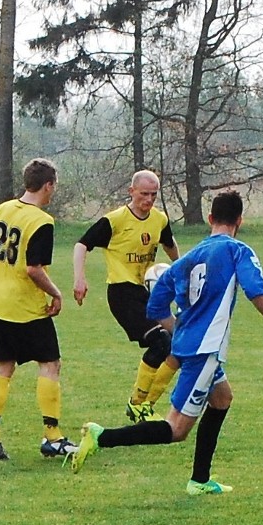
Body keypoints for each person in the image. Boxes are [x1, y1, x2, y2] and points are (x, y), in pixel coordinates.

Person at [71, 191, 263, 496]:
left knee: (222, 398)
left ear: (210, 219)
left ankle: (200, 480)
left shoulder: (188, 258)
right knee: (176, 429)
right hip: (204, 349)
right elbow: (255, 289)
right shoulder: (237, 250)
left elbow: (156, 304)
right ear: (239, 221)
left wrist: (181, 330)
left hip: (189, 343)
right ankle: (101, 437)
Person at [0, 158, 78, 461]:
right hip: (25, 307)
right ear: (49, 185)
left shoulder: (3, 208)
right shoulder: (42, 221)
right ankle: (52, 436)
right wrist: (56, 293)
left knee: (4, 364)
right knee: (50, 363)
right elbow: (33, 269)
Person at [72, 170, 180, 423]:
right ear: (131, 192)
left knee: (178, 343)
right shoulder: (115, 221)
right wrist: (79, 278)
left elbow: (169, 243)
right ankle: (138, 404)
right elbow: (81, 245)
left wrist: (183, 269)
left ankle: (144, 405)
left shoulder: (159, 219)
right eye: (144, 194)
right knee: (161, 342)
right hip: (122, 294)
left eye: (154, 195)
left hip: (149, 293)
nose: (149, 200)